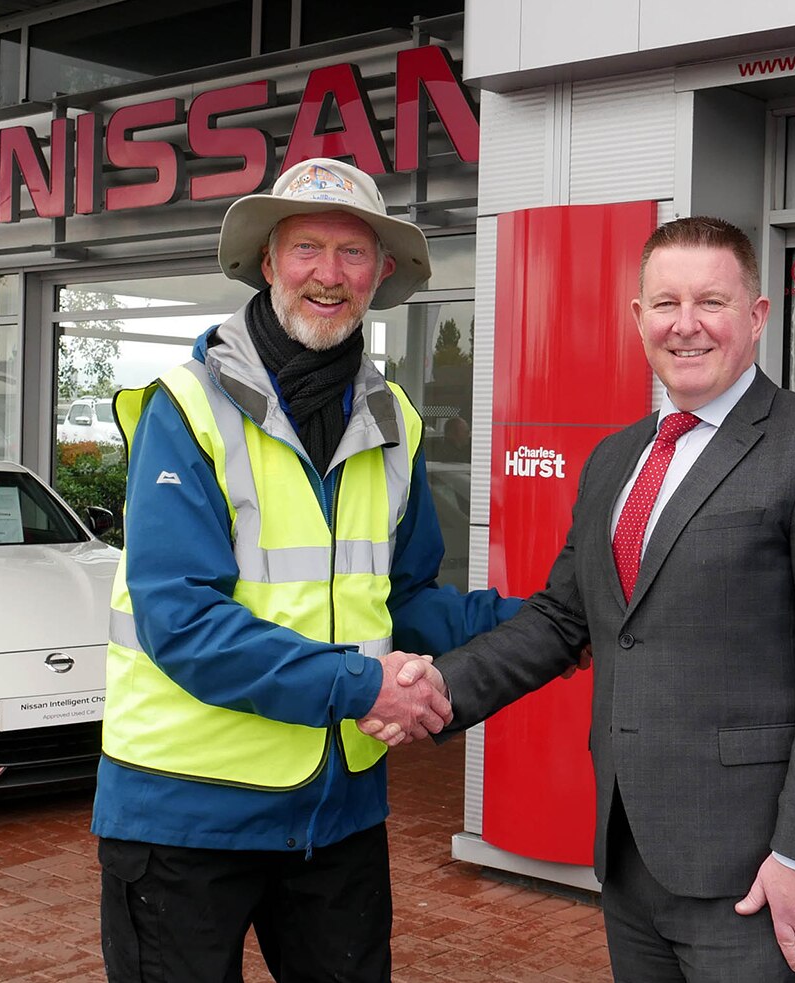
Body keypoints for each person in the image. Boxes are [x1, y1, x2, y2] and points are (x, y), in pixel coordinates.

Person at [386, 216, 795, 981]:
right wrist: (440, 689)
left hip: (760, 873)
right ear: (638, 317)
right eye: (665, 303)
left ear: (757, 314)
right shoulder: (616, 457)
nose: (686, 324)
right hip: (631, 857)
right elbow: (563, 617)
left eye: (711, 301)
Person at [93, 157, 518, 983]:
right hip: (182, 814)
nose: (329, 274)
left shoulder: (393, 421)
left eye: (353, 252)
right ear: (268, 261)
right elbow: (183, 621)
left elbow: (404, 603)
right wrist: (364, 688)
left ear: (382, 273)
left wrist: (547, 620)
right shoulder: (185, 408)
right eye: (307, 248)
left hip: (335, 816)